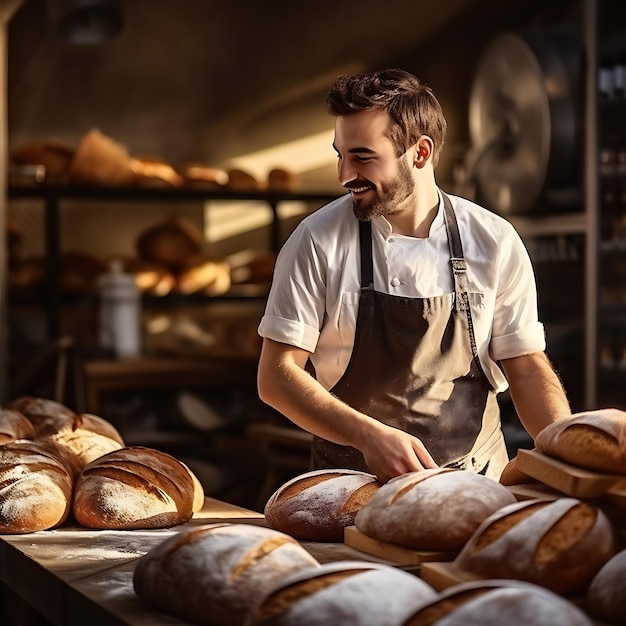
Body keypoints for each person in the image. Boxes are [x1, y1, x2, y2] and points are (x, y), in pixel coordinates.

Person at [256, 68, 571, 483]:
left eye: (363, 157)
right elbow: (276, 376)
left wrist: (565, 456)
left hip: (475, 484)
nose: (344, 174)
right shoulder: (316, 240)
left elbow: (526, 367)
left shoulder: (493, 241)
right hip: (350, 490)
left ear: (420, 153)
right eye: (340, 154)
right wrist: (369, 437)